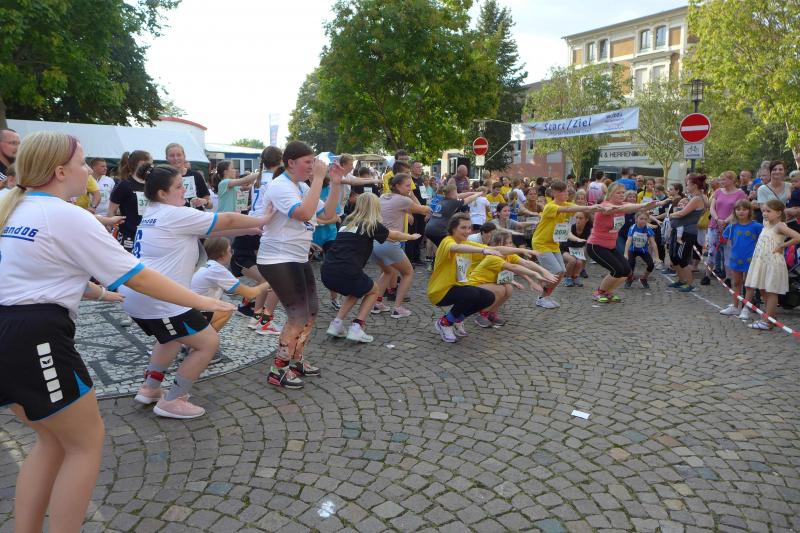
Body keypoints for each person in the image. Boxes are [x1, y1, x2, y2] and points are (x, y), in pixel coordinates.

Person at [0, 131, 233, 533]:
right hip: (34, 337)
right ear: (60, 172)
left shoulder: (12, 205)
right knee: (84, 445)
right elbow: (139, 276)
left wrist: (100, 294)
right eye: (82, 163)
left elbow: (36, 270)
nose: (89, 172)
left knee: (51, 442)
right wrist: (200, 300)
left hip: (12, 331)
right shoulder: (64, 214)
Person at [122, 164, 270, 418]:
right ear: (162, 193)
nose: (184, 190)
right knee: (208, 343)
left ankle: (150, 388)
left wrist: (250, 229)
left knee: (169, 339)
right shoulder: (174, 214)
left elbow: (215, 229)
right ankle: (172, 400)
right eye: (179, 187)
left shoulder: (154, 212)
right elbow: (227, 219)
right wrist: (263, 219)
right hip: (161, 300)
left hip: (141, 296)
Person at [257, 141, 343, 389]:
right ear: (291, 163)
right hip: (277, 258)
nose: (313, 166)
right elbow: (304, 214)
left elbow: (327, 215)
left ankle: (295, 359)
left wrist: (335, 184)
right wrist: (318, 180)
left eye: (314, 161)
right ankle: (278, 369)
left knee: (312, 310)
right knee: (298, 315)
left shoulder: (302, 186)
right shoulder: (280, 186)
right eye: (308, 162)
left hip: (297, 256)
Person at [323, 193, 420, 342]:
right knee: (374, 290)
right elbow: (393, 235)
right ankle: (357, 327)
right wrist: (411, 237)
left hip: (327, 270)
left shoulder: (347, 222)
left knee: (357, 290)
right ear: (375, 207)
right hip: (347, 271)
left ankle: (336, 324)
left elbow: (385, 235)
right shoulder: (371, 224)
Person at [232, 146, 283, 334]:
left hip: (254, 224)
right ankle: (262, 318)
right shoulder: (276, 180)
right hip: (261, 227)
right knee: (274, 277)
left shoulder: (260, 178)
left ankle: (256, 315)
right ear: (281, 161)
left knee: (267, 277)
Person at [426, 214, 501, 343]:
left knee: (488, 297)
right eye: (463, 228)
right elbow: (455, 248)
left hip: (458, 287)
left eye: (469, 228)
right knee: (471, 294)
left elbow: (494, 249)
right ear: (453, 228)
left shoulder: (465, 243)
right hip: (440, 291)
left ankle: (457, 319)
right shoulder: (447, 241)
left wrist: (523, 251)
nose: (467, 231)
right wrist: (482, 251)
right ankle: (445, 322)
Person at [586, 183, 660, 303]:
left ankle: (608, 291)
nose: (622, 195)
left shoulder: (622, 205)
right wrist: (641, 205)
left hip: (610, 246)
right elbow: (621, 209)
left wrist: (654, 204)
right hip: (596, 246)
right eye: (618, 192)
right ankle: (599, 292)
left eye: (623, 192)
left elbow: (637, 208)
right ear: (610, 194)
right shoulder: (605, 206)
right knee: (617, 270)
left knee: (627, 271)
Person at [531, 181, 601, 308]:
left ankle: (545, 296)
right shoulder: (550, 207)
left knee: (562, 271)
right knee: (556, 270)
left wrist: (598, 208)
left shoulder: (566, 204)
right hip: (540, 243)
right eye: (563, 192)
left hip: (553, 244)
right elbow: (570, 209)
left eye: (566, 191)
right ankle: (541, 295)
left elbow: (577, 208)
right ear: (555, 193)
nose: (566, 193)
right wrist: (591, 207)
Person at [371, 173, 432, 318]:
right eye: (407, 185)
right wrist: (412, 195)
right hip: (390, 244)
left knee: (388, 272)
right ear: (397, 186)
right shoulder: (403, 200)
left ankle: (376, 303)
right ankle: (397, 308)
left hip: (375, 243)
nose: (410, 188)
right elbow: (424, 209)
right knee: (408, 273)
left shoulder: (383, 196)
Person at [467, 230, 555, 328]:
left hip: (487, 285)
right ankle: (482, 314)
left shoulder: (509, 255)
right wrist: (535, 274)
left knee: (508, 288)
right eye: (507, 243)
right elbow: (513, 267)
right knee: (500, 289)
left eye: (510, 242)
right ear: (497, 245)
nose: (510, 245)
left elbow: (526, 263)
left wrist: (540, 273)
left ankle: (491, 313)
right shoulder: (492, 257)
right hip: (473, 287)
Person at [191, 237, 270, 336]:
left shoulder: (207, 264)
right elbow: (250, 294)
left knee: (223, 305)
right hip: (190, 314)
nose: (231, 254)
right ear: (222, 255)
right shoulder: (217, 270)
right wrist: (271, 281)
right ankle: (204, 340)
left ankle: (199, 337)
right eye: (230, 251)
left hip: (188, 308)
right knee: (226, 310)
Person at [744, 199, 800, 330]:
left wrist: (782, 245)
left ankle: (767, 321)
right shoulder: (766, 223)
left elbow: (797, 237)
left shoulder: (780, 226)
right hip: (761, 261)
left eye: (768, 211)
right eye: (764, 211)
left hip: (773, 263)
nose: (764, 213)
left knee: (771, 291)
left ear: (779, 213)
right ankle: (771, 317)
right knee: (763, 289)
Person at [719, 200, 762, 319]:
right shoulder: (732, 227)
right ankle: (735, 306)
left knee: (749, 284)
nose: (741, 212)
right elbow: (725, 239)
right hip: (735, 258)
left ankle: (746, 308)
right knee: (736, 283)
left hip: (751, 260)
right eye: (738, 209)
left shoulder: (757, 226)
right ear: (734, 211)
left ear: (750, 211)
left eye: (744, 209)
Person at [667, 174, 710, 292]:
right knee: (674, 257)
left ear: (694, 185)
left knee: (681, 258)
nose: (686, 187)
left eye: (687, 184)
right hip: (682, 230)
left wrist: (671, 215)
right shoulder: (698, 197)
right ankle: (681, 280)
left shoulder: (697, 198)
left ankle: (690, 284)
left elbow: (682, 213)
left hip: (688, 232)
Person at [107, 150, 153, 252]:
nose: (152, 167)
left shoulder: (151, 184)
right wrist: (110, 227)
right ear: (141, 164)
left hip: (148, 234)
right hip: (128, 234)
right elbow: (111, 210)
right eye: (150, 164)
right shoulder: (124, 185)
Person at [706, 170, 747, 284]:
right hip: (714, 225)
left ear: (732, 180)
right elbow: (712, 207)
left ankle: (728, 278)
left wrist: (725, 221)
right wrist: (717, 219)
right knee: (712, 250)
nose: (721, 181)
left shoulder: (740, 194)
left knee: (728, 252)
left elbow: (739, 209)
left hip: (731, 226)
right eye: (721, 179)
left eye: (724, 179)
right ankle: (707, 275)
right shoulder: (718, 191)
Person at [165, 142, 212, 210]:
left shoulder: (196, 175)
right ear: (166, 158)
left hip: (196, 215)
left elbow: (210, 205)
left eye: (179, 155)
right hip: (175, 215)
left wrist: (205, 202)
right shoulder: (163, 178)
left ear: (184, 156)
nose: (176, 158)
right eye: (172, 156)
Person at [623, 211, 660, 289]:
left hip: (643, 250)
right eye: (641, 219)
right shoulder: (633, 228)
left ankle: (643, 279)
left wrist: (657, 257)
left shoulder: (648, 229)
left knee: (651, 265)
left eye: (645, 219)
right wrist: (625, 253)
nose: (643, 221)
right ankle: (630, 279)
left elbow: (653, 243)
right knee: (630, 264)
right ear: (636, 219)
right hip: (632, 250)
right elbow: (628, 241)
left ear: (648, 220)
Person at [561, 211, 592, 287]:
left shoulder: (589, 229)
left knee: (579, 262)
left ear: (586, 220)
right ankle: (567, 278)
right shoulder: (570, 227)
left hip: (576, 250)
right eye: (576, 218)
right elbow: (563, 242)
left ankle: (575, 277)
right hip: (565, 249)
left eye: (581, 218)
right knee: (572, 260)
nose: (578, 220)